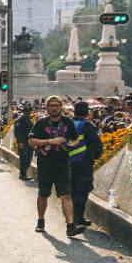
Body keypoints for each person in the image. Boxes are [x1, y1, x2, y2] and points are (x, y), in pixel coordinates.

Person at [28, 95, 83, 237]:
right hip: (45, 163)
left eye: (56, 106)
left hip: (63, 163)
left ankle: (70, 226)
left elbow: (75, 140)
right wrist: (51, 141)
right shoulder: (41, 123)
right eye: (51, 106)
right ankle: (40, 220)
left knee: (66, 195)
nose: (54, 108)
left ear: (61, 107)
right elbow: (31, 141)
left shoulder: (68, 122)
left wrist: (68, 145)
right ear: (47, 108)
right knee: (43, 194)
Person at [68, 101, 102, 229]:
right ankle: (77, 219)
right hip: (83, 164)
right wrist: (95, 157)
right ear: (87, 112)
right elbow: (97, 145)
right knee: (81, 192)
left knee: (71, 191)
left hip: (68, 163)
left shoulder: (67, 124)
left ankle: (74, 218)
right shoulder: (88, 126)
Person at [13, 105, 35, 180]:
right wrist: (20, 142)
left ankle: (24, 173)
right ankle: (23, 175)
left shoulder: (30, 120)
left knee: (29, 159)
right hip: (23, 143)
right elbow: (17, 133)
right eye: (26, 112)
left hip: (30, 143)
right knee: (24, 159)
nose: (28, 113)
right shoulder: (19, 120)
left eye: (29, 112)